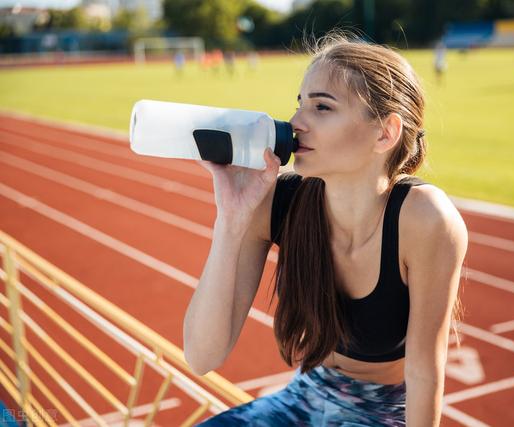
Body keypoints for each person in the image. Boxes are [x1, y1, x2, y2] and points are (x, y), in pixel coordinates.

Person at [184, 33, 468, 426]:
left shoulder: (424, 219)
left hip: (382, 413)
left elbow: (424, 373)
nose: (296, 122)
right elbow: (202, 356)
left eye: (322, 106)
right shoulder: (275, 201)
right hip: (304, 396)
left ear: (386, 132)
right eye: (299, 103)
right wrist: (231, 221)